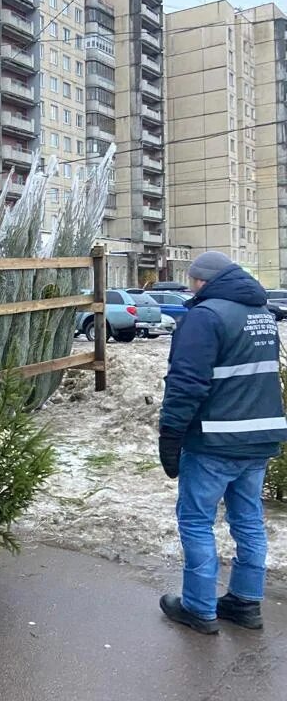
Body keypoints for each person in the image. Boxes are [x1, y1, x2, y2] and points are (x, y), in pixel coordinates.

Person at [158, 250, 287, 634]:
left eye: (191, 279)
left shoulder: (205, 317)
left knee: (196, 521)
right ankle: (246, 602)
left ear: (202, 281)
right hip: (259, 438)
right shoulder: (262, 314)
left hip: (214, 441)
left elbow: (186, 384)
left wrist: (170, 434)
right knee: (248, 520)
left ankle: (198, 608)